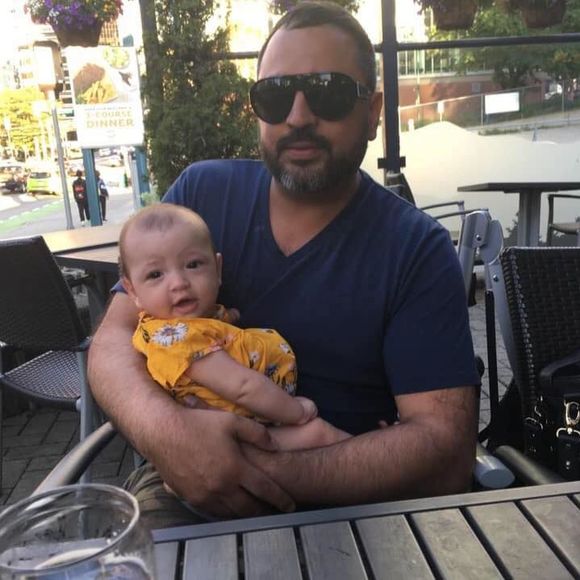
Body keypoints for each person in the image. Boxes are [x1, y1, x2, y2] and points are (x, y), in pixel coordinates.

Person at [89, 1, 479, 528]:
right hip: (182, 491)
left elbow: (445, 452)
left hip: (357, 515)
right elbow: (112, 341)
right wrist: (171, 437)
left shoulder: (415, 248)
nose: (297, 117)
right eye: (274, 95)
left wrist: (242, 469)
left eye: (328, 92)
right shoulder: (200, 199)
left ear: (372, 112)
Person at [119, 202, 346, 451]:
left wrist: (229, 318)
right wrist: (296, 412)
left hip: (252, 420)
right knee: (319, 434)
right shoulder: (176, 340)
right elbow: (242, 387)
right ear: (132, 291)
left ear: (217, 269)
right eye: (155, 275)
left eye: (193, 265)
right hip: (244, 436)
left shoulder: (185, 323)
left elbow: (215, 331)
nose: (179, 283)